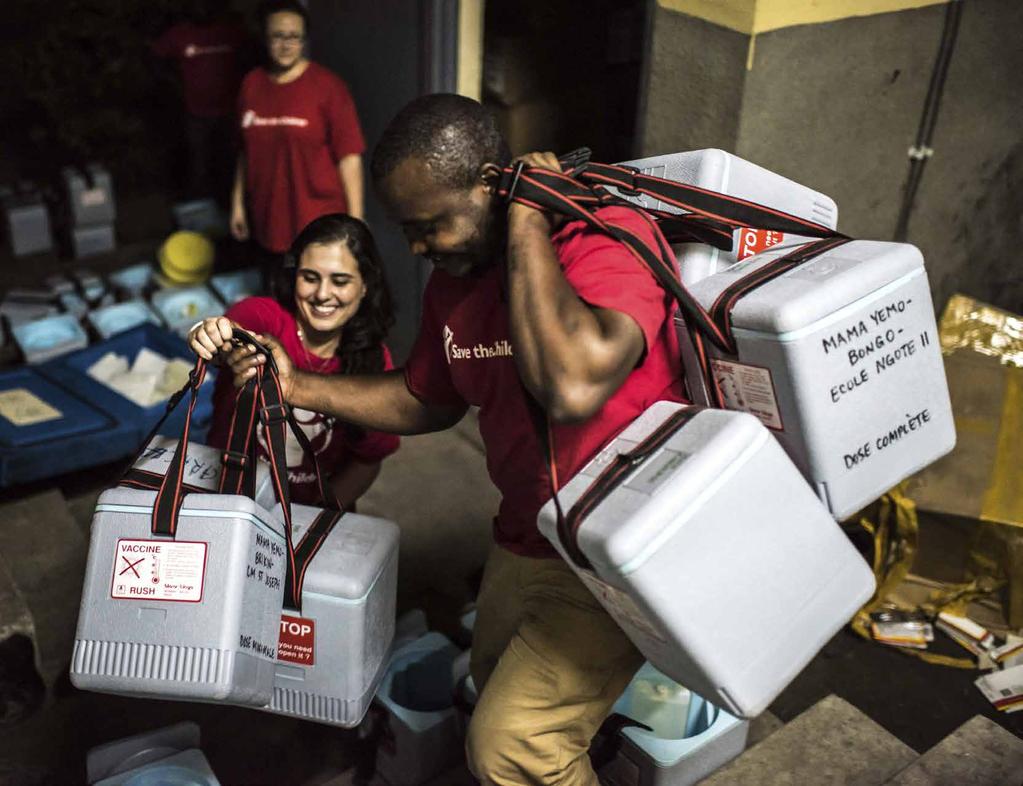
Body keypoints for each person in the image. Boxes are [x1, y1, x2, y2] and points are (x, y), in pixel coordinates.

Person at [211, 94, 685, 785]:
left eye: (429, 225)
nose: (414, 247)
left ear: (493, 184)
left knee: (513, 748)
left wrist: (527, 217)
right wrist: (298, 388)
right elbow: (424, 398)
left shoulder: (601, 236)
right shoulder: (451, 288)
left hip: (620, 550)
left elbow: (573, 381)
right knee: (487, 687)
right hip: (527, 537)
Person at [189, 213, 398, 508]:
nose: (323, 294)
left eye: (340, 281)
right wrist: (208, 334)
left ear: (365, 286)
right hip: (227, 499)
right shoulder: (261, 318)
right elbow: (228, 337)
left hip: (309, 514)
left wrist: (313, 519)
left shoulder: (374, 363)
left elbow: (368, 459)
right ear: (294, 275)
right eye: (310, 278)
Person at [231, 0, 365, 290]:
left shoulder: (328, 88)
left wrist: (356, 223)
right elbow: (245, 149)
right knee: (278, 294)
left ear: (304, 39)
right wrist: (237, 204)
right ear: (265, 38)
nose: (286, 44)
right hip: (268, 219)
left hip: (318, 221)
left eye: (294, 36)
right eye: (278, 36)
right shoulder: (251, 85)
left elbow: (349, 157)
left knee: (316, 301)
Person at [152, 0, 249, 202]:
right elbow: (156, 58)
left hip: (229, 112)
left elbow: (249, 58)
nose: (201, 8)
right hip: (196, 113)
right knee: (199, 166)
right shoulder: (179, 34)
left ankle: (233, 211)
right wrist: (174, 86)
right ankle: (202, 216)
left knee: (231, 165)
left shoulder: (229, 32)